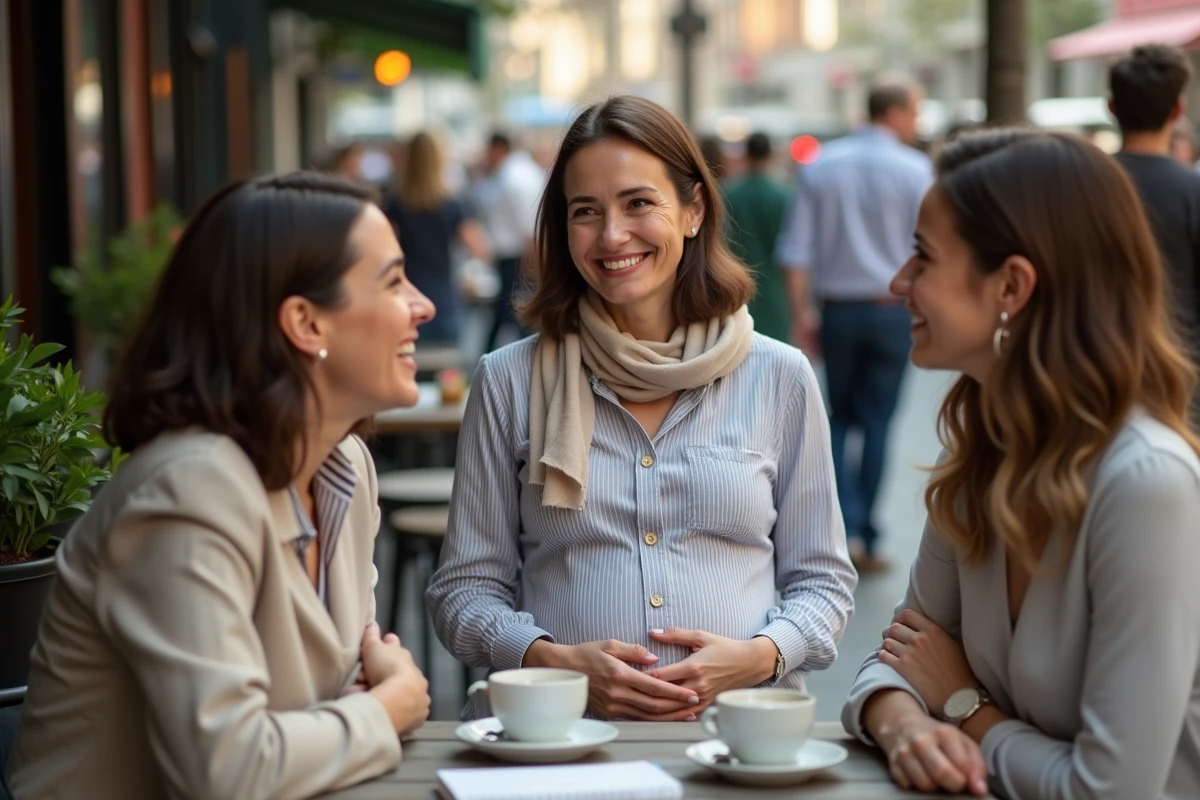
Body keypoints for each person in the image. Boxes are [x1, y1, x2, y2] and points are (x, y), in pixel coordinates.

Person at [427, 95, 857, 723]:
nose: (612, 235)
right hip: (559, 740)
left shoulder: (780, 376)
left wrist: (760, 656)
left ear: (693, 211)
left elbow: (823, 583)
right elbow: (463, 591)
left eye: (638, 203)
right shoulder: (508, 380)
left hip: (737, 742)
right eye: (585, 211)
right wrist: (550, 661)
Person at [8, 174, 435, 799]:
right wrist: (388, 707)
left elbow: (338, 696)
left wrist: (361, 704)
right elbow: (228, 772)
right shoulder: (189, 490)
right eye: (394, 282)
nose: (423, 305)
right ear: (306, 323)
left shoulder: (344, 465)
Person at [843, 129, 1200, 799]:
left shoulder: (1145, 483)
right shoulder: (978, 455)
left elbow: (1108, 790)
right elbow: (897, 661)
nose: (898, 281)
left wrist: (962, 707)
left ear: (1011, 285)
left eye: (924, 256)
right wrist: (906, 728)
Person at [776, 77, 932, 573]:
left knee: (838, 420)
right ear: (897, 113)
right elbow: (932, 249)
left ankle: (843, 529)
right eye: (915, 113)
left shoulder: (822, 165)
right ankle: (868, 530)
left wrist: (802, 314)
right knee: (879, 421)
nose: (917, 123)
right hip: (893, 310)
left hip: (838, 309)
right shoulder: (916, 169)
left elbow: (795, 253)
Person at [1109, 44, 1200, 423]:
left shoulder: (1074, 188)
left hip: (1090, 380)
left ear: (1111, 107)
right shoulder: (1193, 192)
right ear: (1177, 110)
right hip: (1181, 388)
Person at [383, 131, 491, 345]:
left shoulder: (395, 203)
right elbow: (481, 249)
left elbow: (383, 250)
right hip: (444, 300)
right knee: (449, 364)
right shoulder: (452, 204)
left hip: (407, 300)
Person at [474, 132, 544, 351]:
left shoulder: (515, 177)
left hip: (516, 256)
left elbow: (528, 227)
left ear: (497, 149)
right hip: (515, 254)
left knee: (514, 311)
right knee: (509, 312)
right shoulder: (516, 172)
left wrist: (531, 265)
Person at [724, 131, 792, 343]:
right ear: (770, 154)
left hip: (738, 284)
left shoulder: (729, 195)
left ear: (746, 154)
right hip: (776, 288)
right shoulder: (784, 196)